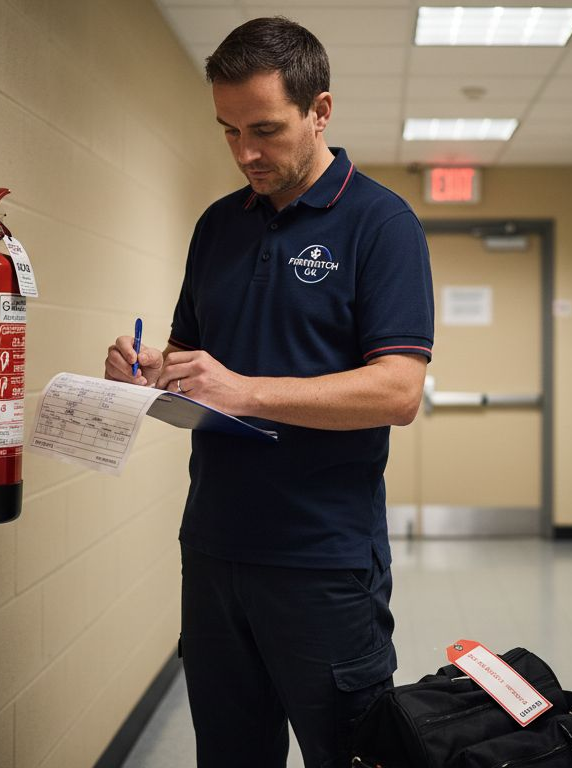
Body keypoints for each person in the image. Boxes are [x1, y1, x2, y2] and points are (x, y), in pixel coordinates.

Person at [102, 16, 434, 768]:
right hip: (215, 550)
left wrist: (245, 391)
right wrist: (146, 368)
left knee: (348, 755)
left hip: (322, 560)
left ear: (320, 111)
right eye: (227, 131)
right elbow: (192, 360)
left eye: (265, 129)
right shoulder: (218, 226)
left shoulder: (381, 225)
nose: (245, 152)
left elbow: (398, 391)